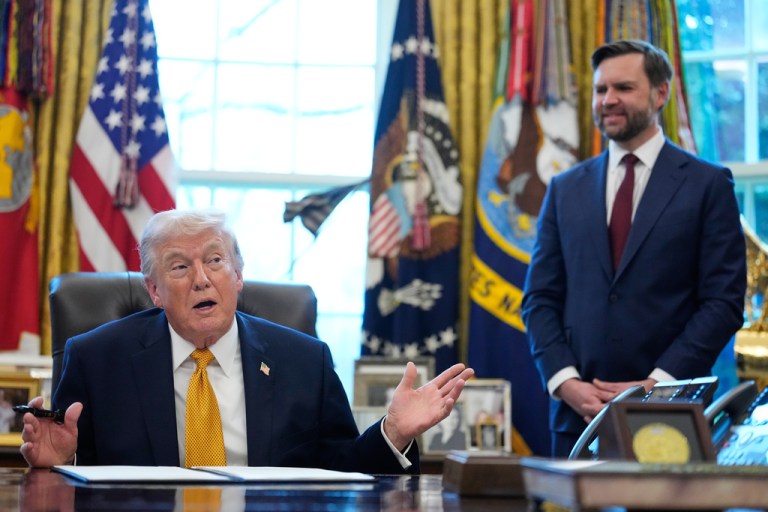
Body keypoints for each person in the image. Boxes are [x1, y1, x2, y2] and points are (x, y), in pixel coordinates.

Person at [20, 209, 474, 472]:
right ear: (154, 290)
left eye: (215, 261)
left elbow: (342, 473)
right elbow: (79, 473)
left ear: (238, 276)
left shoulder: (304, 361)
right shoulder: (98, 358)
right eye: (179, 267)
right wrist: (63, 461)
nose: (202, 280)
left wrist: (392, 433)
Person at [521, 39, 746, 458]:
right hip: (577, 422)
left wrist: (658, 385)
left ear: (661, 94)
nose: (608, 100)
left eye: (623, 88)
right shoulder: (564, 189)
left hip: (672, 421)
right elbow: (539, 299)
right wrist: (567, 383)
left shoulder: (708, 185)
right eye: (600, 90)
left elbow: (723, 302)